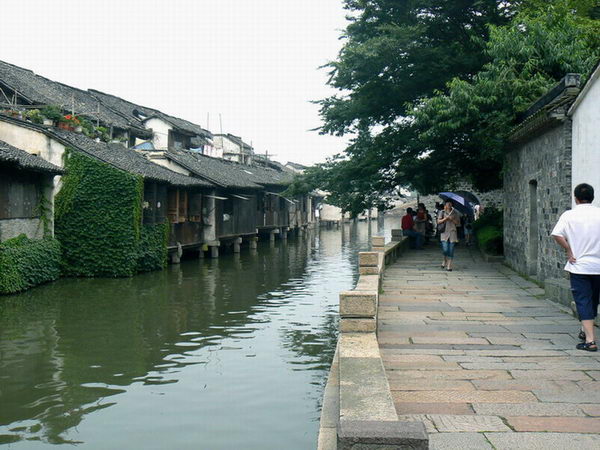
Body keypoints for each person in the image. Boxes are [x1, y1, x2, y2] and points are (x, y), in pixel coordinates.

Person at [551, 183, 600, 352]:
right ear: (593, 197)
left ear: (576, 198)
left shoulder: (569, 215)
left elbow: (557, 234)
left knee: (583, 300)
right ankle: (584, 330)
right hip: (598, 266)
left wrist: (568, 249)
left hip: (578, 265)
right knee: (593, 299)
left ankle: (590, 340)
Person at [437, 200, 460, 271]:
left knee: (451, 249)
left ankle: (449, 265)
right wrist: (445, 218)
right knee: (445, 249)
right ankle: (444, 260)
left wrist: (452, 220)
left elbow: (458, 223)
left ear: (452, 205)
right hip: (444, 233)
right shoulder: (442, 212)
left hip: (452, 232)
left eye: (450, 204)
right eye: (447, 204)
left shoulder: (455, 213)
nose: (449, 205)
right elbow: (438, 221)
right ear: (445, 205)